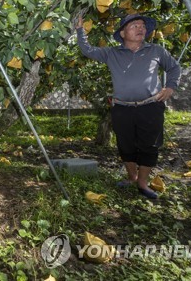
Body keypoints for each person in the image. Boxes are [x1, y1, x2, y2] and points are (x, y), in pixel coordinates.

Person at [75, 13, 181, 199]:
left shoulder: (156, 50)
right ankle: (132, 176)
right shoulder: (112, 53)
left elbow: (174, 67)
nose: (141, 29)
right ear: (123, 33)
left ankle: (143, 182)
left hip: (150, 106)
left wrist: (170, 87)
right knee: (125, 144)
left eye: (142, 26)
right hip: (122, 108)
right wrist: (80, 30)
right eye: (135, 26)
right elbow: (88, 50)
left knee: (150, 145)